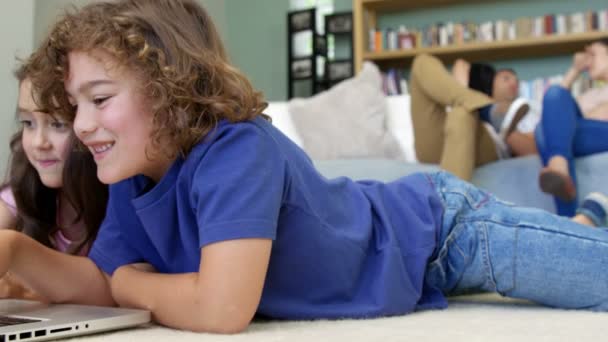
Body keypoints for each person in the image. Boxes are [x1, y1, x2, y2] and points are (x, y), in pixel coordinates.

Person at [3, 0, 608, 334]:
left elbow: (220, 308)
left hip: (443, 234)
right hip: (413, 259)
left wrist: (131, 283)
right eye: (75, 104)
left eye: (100, 100)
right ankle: (590, 212)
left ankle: (591, 212)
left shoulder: (237, 148)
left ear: (170, 90)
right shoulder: (137, 179)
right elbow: (99, 281)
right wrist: (16, 254)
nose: (80, 126)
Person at [0, 64, 108, 299]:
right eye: (28, 123)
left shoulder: (120, 197)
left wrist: (21, 289)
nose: (39, 142)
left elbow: (113, 291)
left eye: (58, 124)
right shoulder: (23, 189)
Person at [506, 38, 608, 217]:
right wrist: (575, 70)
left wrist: (567, 124)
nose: (587, 60)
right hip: (582, 134)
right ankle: (559, 165)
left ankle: (567, 216)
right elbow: (553, 106)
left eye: (593, 55)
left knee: (544, 131)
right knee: (554, 95)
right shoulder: (590, 95)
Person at [410, 54, 530, 181]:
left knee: (463, 113)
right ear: (489, 83)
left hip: (484, 148)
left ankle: (453, 199)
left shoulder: (523, 108)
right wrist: (474, 97)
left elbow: (531, 150)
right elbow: (460, 65)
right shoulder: (469, 95)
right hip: (437, 144)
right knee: (422, 62)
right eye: (506, 79)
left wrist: (510, 129)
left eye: (517, 82)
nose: (514, 83)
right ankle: (487, 110)